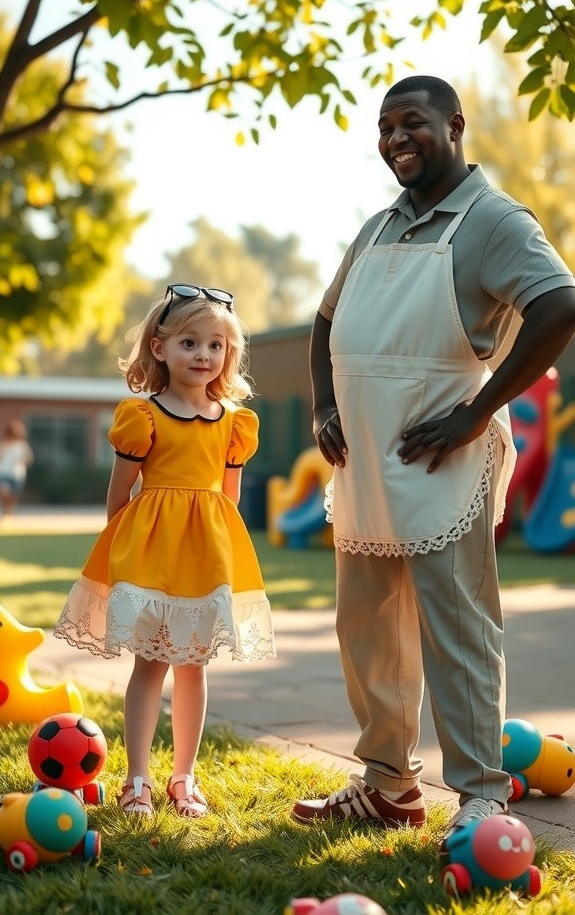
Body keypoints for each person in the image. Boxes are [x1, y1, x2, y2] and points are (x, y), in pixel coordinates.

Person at [290, 75, 575, 835]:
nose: (393, 140)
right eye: (383, 128)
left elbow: (560, 304)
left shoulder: (493, 221)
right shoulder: (380, 225)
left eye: (409, 123)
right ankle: (388, 786)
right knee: (368, 632)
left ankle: (482, 795)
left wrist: (478, 411)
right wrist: (323, 404)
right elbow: (325, 323)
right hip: (366, 466)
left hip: (442, 460)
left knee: (460, 630)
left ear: (454, 125)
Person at [55, 283, 276, 818]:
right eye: (189, 343)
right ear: (160, 348)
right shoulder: (142, 416)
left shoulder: (233, 423)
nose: (203, 355)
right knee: (150, 664)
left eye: (215, 345)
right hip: (151, 556)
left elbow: (229, 501)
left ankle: (184, 778)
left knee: (194, 668)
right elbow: (119, 497)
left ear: (229, 353)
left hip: (206, 559)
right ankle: (138, 781)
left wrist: (224, 563)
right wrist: (120, 564)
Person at [0, 418, 34, 518]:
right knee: (4, 491)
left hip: (16, 474)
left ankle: (9, 514)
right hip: (3, 473)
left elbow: (29, 459)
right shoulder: (2, 445)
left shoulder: (22, 446)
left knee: (12, 497)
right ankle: (6, 512)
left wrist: (22, 460)